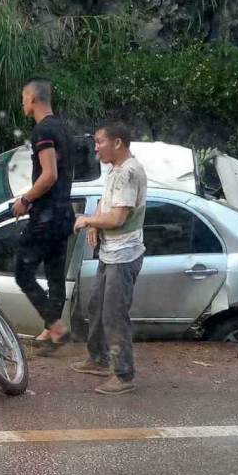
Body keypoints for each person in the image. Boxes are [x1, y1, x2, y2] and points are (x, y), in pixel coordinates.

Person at [71, 122, 147, 395]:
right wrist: (94, 224)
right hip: (109, 252)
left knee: (114, 316)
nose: (95, 148)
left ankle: (124, 375)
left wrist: (86, 220)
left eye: (100, 141)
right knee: (96, 308)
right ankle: (99, 359)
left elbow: (117, 217)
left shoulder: (128, 173)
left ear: (117, 143)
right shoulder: (114, 169)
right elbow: (107, 203)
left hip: (123, 256)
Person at [13, 76, 75, 352]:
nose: (22, 102)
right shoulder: (62, 127)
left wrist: (25, 199)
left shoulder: (43, 131)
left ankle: (55, 327)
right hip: (64, 215)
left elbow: (49, 175)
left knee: (22, 272)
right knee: (54, 276)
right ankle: (53, 334)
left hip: (47, 217)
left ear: (33, 98)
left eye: (24, 97)